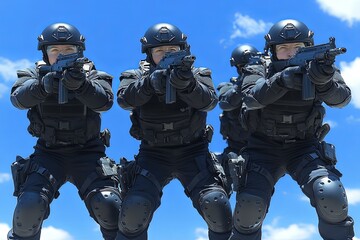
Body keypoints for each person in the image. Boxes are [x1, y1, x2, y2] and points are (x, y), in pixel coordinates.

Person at [223, 19, 355, 240]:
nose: (291, 54)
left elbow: (342, 99)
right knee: (248, 209)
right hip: (262, 149)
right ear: (272, 51)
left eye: (298, 48)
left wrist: (324, 82)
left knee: (330, 194)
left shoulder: (321, 67)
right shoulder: (258, 68)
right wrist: (281, 81)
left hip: (304, 147)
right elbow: (250, 98)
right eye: (283, 48)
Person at [116, 23, 232, 240]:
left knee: (216, 205)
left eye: (171, 51)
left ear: (182, 50)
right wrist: (149, 84)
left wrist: (187, 85)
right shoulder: (134, 75)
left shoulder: (198, 74)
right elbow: (124, 100)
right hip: (153, 154)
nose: (165, 55)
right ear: (149, 54)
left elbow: (209, 102)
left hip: (194, 152)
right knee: (134, 209)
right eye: (159, 51)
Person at [8, 23, 121, 240]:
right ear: (45, 53)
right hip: (48, 153)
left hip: (88, 152)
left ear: (79, 52)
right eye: (55, 51)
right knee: (29, 206)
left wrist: (82, 86)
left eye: (69, 50)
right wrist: (42, 86)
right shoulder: (33, 73)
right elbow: (18, 99)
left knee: (108, 204)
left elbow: (104, 103)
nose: (61, 56)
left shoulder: (93, 74)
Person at [217, 45, 265, 189]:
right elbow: (226, 103)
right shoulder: (229, 86)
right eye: (243, 66)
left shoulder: (266, 86)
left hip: (264, 148)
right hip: (235, 148)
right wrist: (243, 84)